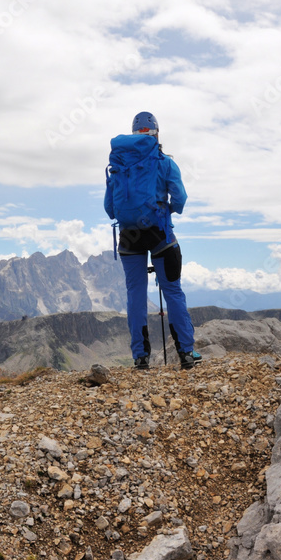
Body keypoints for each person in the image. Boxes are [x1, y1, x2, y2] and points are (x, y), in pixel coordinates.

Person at [105, 111, 200, 371]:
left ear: (134, 134)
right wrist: (165, 209)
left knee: (135, 294)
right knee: (172, 291)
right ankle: (186, 353)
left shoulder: (119, 163)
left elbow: (110, 209)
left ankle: (140, 357)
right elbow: (179, 201)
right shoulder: (165, 163)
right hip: (160, 234)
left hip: (129, 238)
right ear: (156, 133)